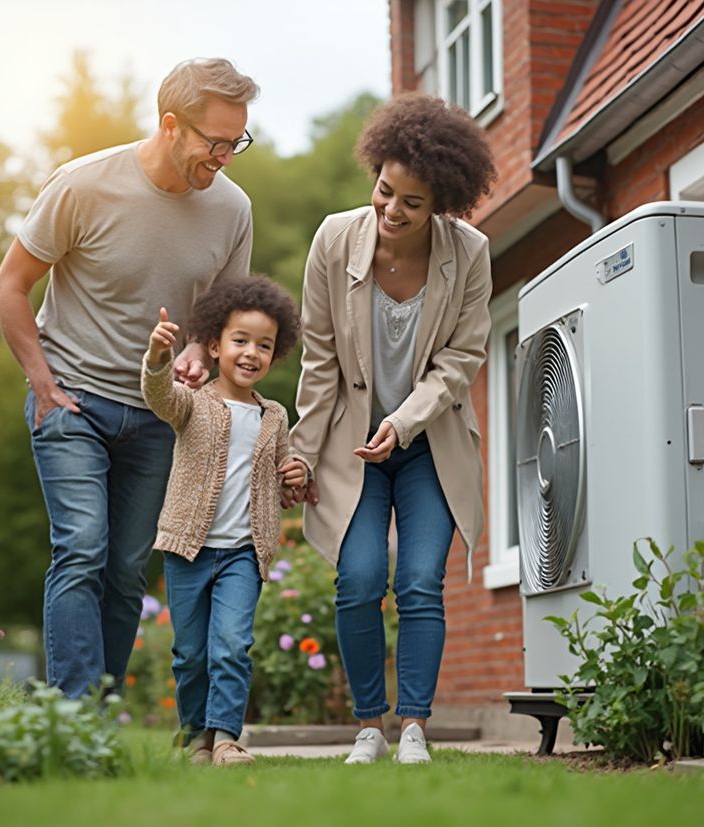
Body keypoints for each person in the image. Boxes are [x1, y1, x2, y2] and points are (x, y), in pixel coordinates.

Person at [0, 58, 259, 699]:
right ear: (171, 125)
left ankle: (97, 719)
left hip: (158, 415)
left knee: (125, 571)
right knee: (81, 548)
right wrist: (43, 385)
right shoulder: (82, 186)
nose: (225, 157)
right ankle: (74, 715)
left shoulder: (232, 209)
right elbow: (10, 286)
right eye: (214, 141)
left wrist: (199, 346)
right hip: (74, 400)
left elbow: (220, 315)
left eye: (237, 142)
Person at [280, 93, 497, 764]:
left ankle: (414, 728)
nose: (392, 212)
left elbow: (462, 359)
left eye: (412, 203)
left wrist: (403, 423)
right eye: (385, 192)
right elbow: (320, 362)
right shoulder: (333, 239)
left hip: (428, 443)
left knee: (421, 580)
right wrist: (301, 455)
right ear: (373, 174)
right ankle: (370, 723)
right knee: (360, 576)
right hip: (352, 446)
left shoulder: (471, 253)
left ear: (443, 206)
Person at [142, 276, 304, 766]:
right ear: (214, 345)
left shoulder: (275, 416)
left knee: (231, 646)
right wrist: (156, 360)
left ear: (275, 356)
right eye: (240, 341)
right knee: (191, 654)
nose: (250, 353)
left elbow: (283, 487)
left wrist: (296, 477)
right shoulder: (193, 401)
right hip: (188, 550)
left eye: (263, 345)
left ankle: (227, 739)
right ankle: (195, 739)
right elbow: (159, 397)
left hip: (243, 553)